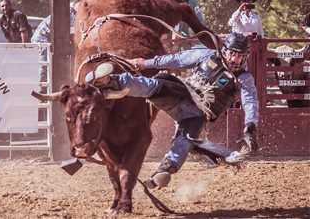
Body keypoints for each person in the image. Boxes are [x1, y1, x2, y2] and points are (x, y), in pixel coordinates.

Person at [85, 32, 259, 189]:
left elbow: (250, 101)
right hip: (183, 93)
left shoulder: (244, 79)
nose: (236, 60)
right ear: (225, 51)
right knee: (154, 86)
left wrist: (250, 127)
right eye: (233, 54)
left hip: (199, 113)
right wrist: (145, 63)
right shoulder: (207, 56)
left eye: (240, 56)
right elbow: (177, 59)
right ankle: (111, 82)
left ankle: (166, 169)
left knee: (187, 138)